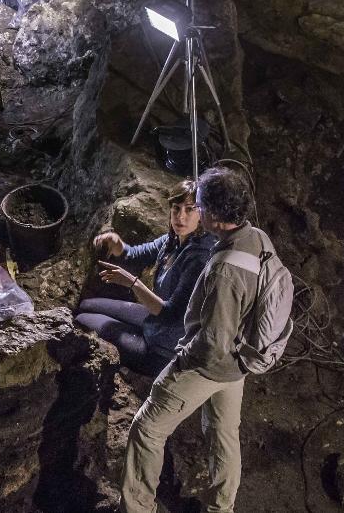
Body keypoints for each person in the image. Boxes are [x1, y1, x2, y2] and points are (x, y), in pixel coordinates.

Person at [122, 167, 273, 513]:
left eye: (199, 206)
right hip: (241, 359)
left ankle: (138, 508)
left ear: (215, 215)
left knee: (146, 429)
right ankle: (222, 508)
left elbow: (213, 339)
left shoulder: (221, 269)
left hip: (212, 363)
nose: (193, 212)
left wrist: (181, 362)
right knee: (223, 434)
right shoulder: (257, 238)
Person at [75, 181, 215, 375]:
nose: (181, 216)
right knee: (86, 305)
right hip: (152, 320)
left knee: (82, 319)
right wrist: (117, 244)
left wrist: (133, 283)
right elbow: (135, 255)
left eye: (190, 210)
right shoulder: (173, 240)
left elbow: (170, 314)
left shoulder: (199, 259)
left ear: (201, 214)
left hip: (163, 349)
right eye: (176, 208)